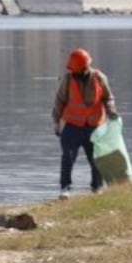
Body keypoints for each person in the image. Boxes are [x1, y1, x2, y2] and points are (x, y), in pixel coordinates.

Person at [52, 48, 119, 200]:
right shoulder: (68, 79)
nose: (72, 71)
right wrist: (56, 122)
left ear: (84, 68)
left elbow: (108, 98)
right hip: (72, 127)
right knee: (67, 158)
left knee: (97, 159)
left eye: (75, 69)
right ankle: (65, 189)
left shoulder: (99, 77)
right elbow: (59, 101)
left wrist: (111, 111)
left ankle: (97, 188)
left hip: (95, 127)